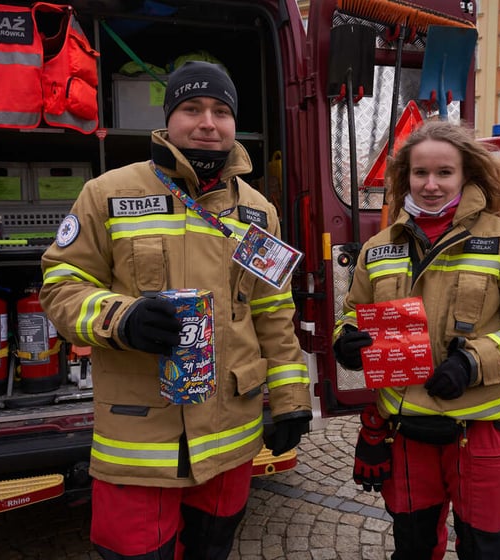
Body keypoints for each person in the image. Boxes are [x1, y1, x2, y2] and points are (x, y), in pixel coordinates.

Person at [40, 60, 313, 560]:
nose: (207, 122)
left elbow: (274, 311)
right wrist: (122, 319)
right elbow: (62, 287)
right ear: (169, 119)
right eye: (192, 108)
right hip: (139, 434)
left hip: (231, 435)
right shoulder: (108, 193)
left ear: (234, 123)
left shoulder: (258, 210)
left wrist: (293, 399)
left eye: (221, 110)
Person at [332, 120, 500, 559]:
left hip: (481, 436)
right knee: (412, 548)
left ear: (466, 175)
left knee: (485, 551)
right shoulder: (379, 247)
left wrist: (473, 363)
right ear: (405, 177)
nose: (431, 185)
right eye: (420, 173)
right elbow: (352, 313)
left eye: (445, 172)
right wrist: (346, 341)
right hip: (405, 436)